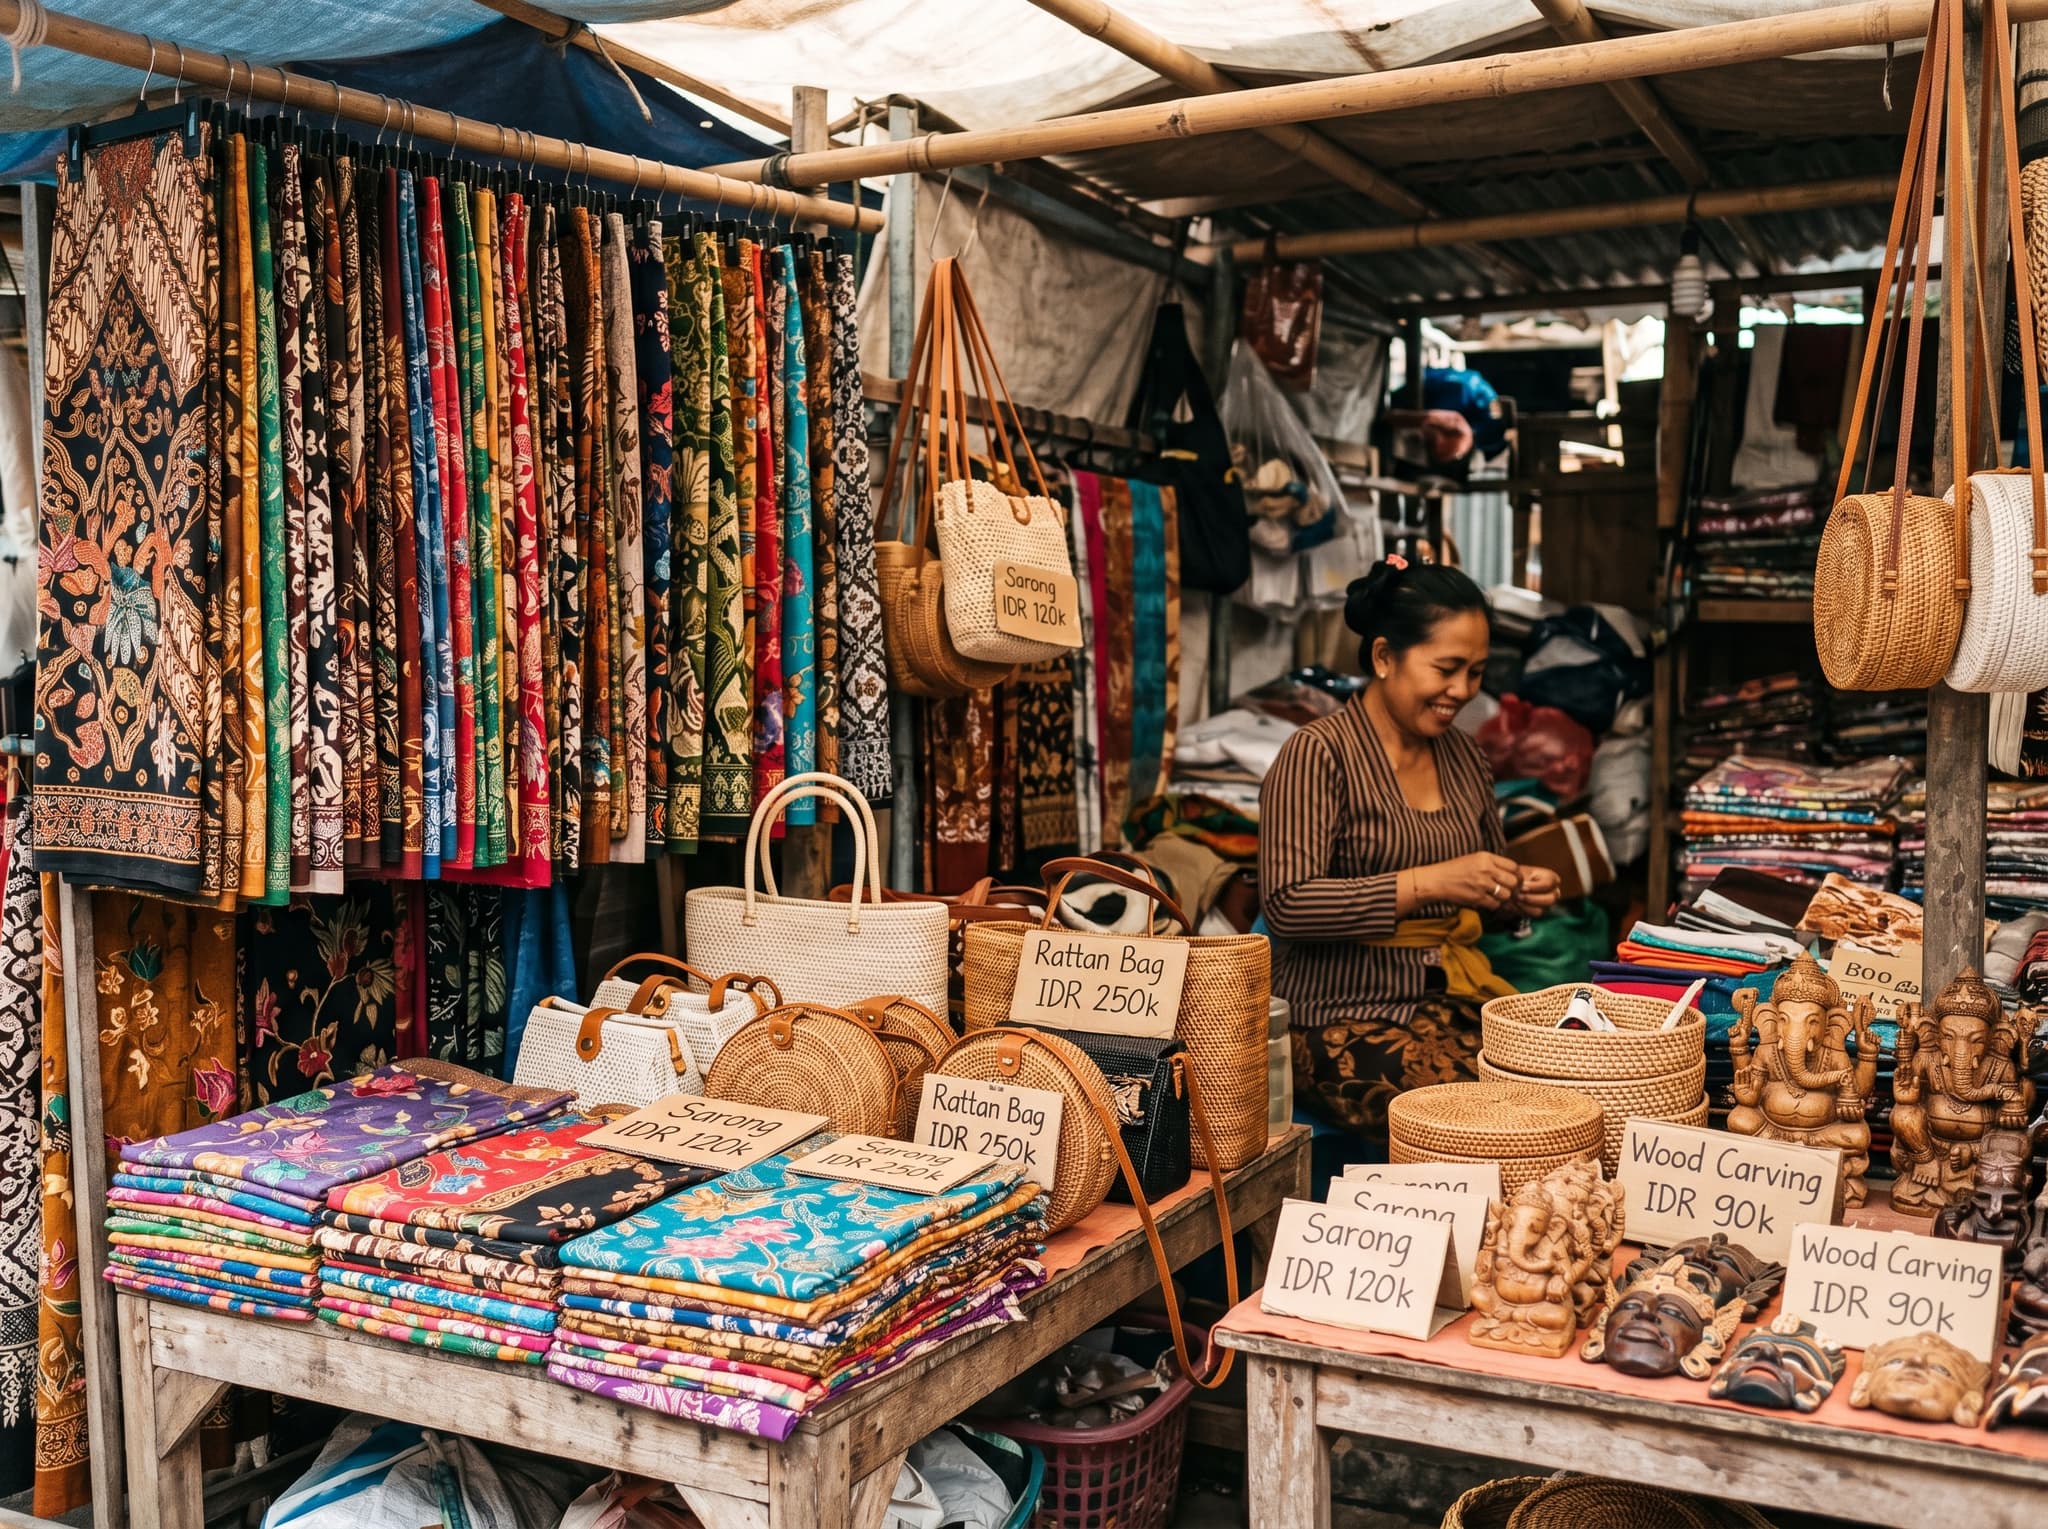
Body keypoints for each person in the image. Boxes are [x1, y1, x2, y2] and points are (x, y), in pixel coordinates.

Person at [1258, 557, 1561, 1146]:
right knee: (1488, 1120)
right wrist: (1435, 882)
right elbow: (1289, 904)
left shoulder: (1465, 758)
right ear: (1382, 657)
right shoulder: (1318, 755)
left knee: (1566, 1084)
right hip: (1333, 1017)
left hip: (1450, 998)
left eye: (1475, 672)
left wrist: (1516, 889)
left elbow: (1485, 892)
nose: (1463, 692)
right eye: (1446, 669)